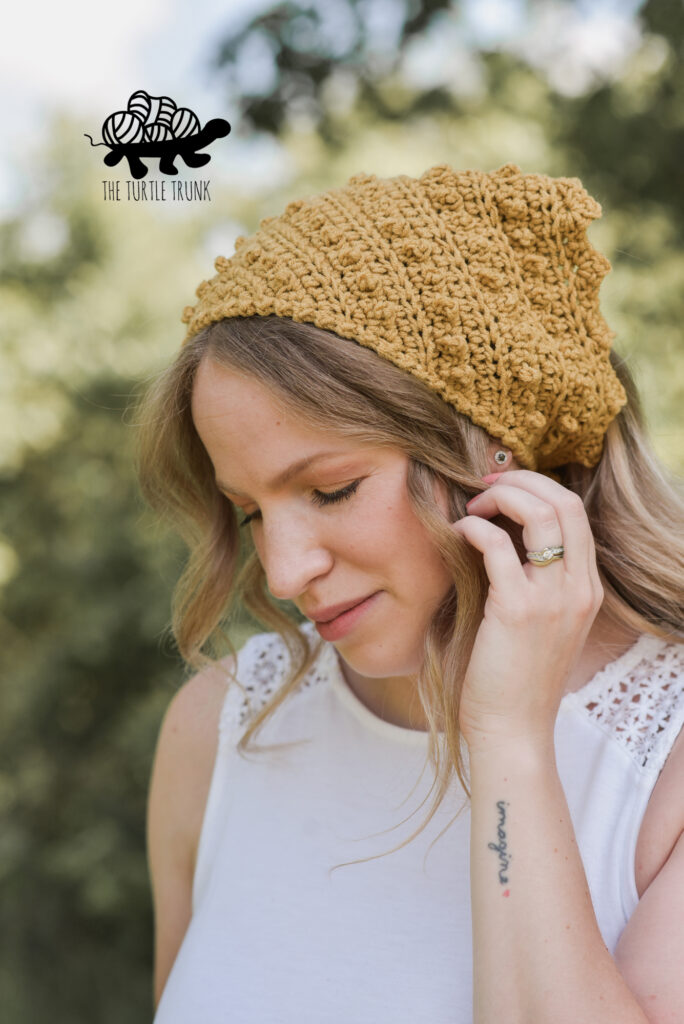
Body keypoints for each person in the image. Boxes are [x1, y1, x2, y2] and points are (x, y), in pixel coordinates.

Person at [136, 163, 684, 1024]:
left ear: (496, 454)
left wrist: (506, 738)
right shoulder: (221, 723)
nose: (282, 576)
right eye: (249, 515)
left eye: (330, 490)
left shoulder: (667, 755)